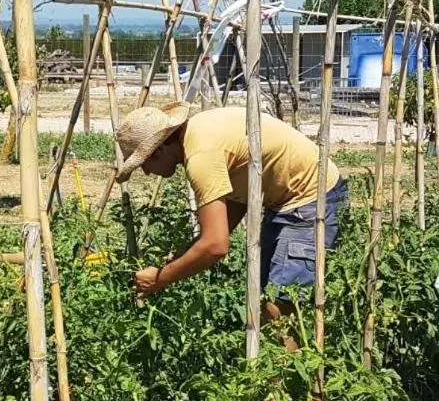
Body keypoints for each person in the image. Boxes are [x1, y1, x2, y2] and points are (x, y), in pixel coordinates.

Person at [114, 102, 348, 325]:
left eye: (143, 163)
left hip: (311, 199)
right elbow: (237, 200)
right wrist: (188, 253)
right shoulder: (199, 131)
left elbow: (216, 245)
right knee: (266, 296)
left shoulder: (201, 157)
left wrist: (160, 278)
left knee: (279, 306)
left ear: (159, 150)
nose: (145, 172)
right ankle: (273, 363)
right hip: (287, 199)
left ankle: (285, 365)